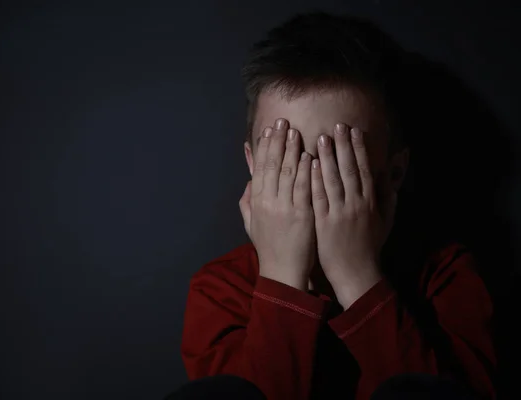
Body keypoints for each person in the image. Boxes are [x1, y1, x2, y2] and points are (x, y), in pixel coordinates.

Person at [179, 11, 496, 400]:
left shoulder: (446, 277)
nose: (310, 184)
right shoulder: (221, 290)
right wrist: (281, 276)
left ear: (393, 173)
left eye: (339, 162)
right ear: (253, 164)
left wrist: (357, 276)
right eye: (287, 160)